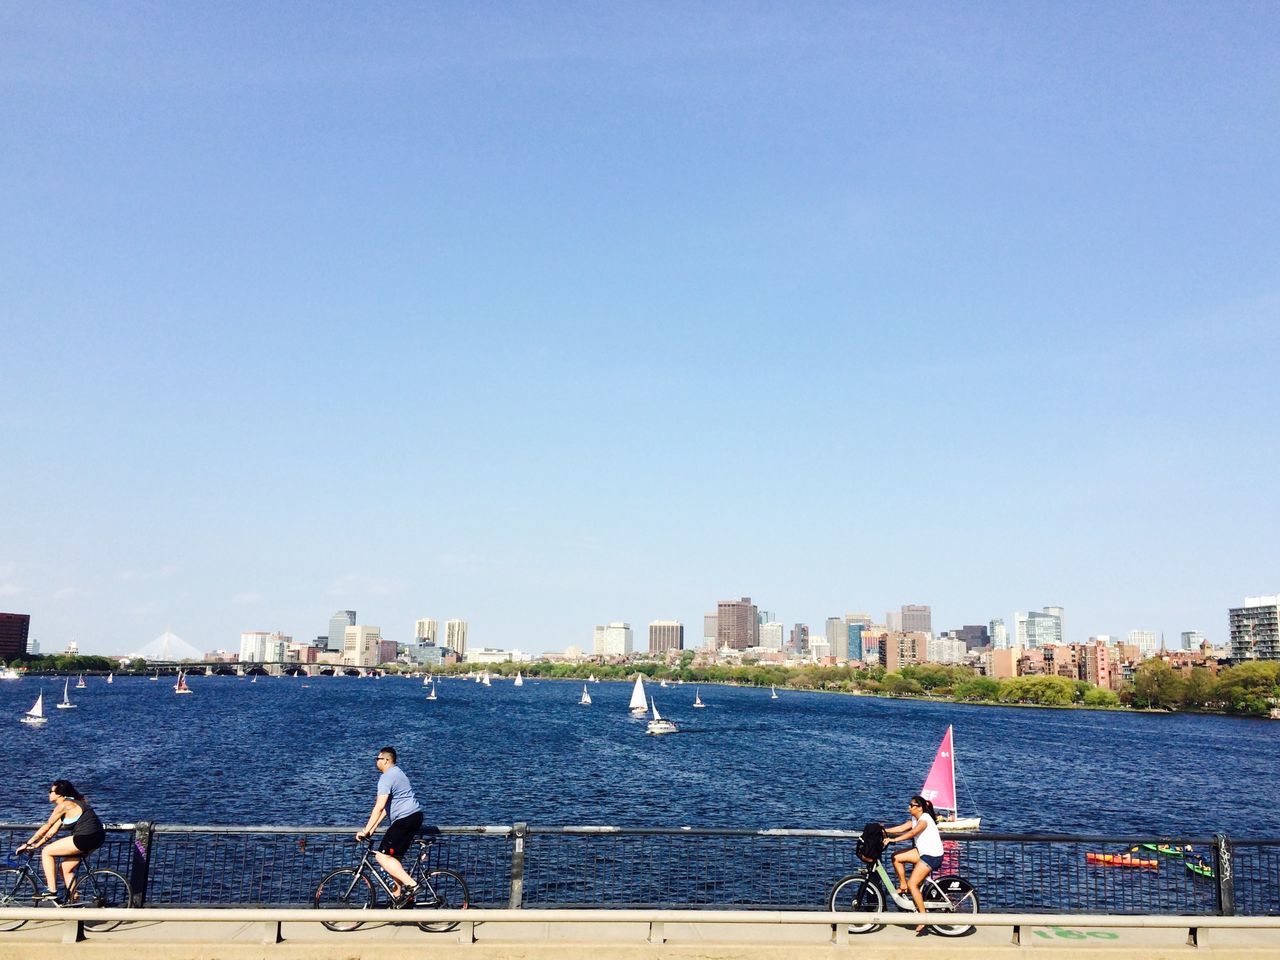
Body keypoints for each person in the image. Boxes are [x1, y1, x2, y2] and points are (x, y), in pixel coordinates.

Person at [16, 780, 106, 903]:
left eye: (50, 791)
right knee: (65, 869)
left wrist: (27, 843)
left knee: (47, 852)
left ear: (59, 794)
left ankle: (52, 890)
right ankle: (75, 902)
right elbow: (51, 832)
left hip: (85, 837)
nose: (48, 794)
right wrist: (36, 845)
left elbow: (47, 825)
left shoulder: (64, 805)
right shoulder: (71, 805)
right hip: (97, 837)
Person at [355, 746, 423, 903]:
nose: (376, 762)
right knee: (393, 860)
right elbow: (387, 810)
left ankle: (412, 885)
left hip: (405, 819)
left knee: (381, 856)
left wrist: (365, 830)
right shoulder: (398, 773)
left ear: (386, 760)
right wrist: (371, 829)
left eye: (377, 759)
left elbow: (379, 807)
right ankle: (399, 900)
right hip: (414, 816)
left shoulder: (386, 778)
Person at [885, 794, 944, 936]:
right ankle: (902, 885)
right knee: (896, 857)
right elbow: (902, 828)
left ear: (920, 808)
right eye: (909, 804)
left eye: (912, 805)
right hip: (922, 852)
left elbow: (913, 832)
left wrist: (894, 841)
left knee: (914, 884)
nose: (909, 807)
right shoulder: (915, 818)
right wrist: (883, 831)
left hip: (932, 855)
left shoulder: (924, 819)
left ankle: (923, 918)